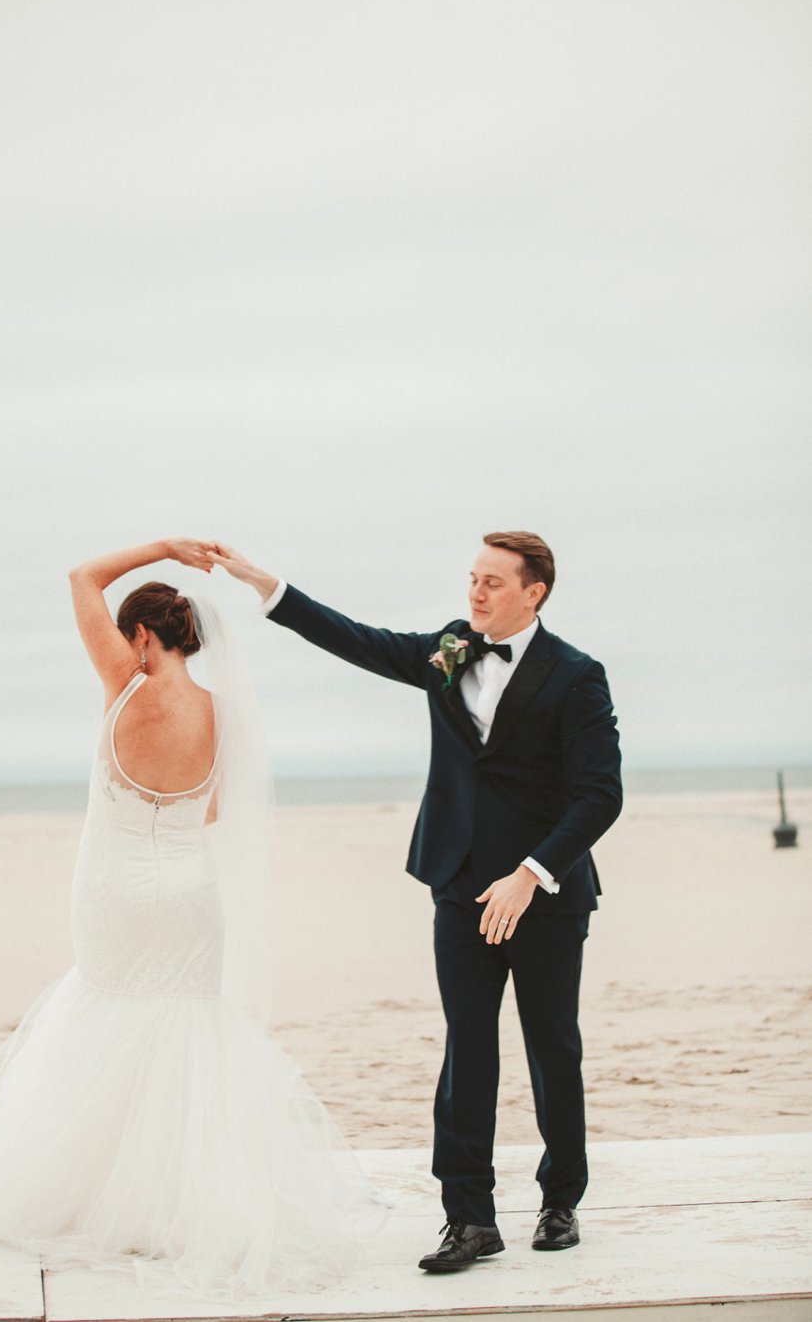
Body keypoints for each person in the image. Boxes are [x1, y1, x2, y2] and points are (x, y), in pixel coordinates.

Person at [0, 539, 381, 1301]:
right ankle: (179, 1203)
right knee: (187, 1033)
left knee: (106, 1017)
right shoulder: (223, 714)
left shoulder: (125, 684)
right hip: (191, 894)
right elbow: (216, 810)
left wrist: (163, 547)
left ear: (139, 637)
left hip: (115, 886)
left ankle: (99, 1196)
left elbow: (80, 575)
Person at [208, 529, 623, 1273]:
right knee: (467, 1052)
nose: (475, 592)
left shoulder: (577, 675)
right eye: (472, 579)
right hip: (461, 886)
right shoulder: (449, 650)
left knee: (551, 1047)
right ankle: (468, 1218)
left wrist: (532, 873)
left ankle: (561, 1198)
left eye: (493, 582)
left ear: (534, 593)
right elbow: (356, 640)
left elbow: (600, 794)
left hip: (545, 896)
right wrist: (264, 584)